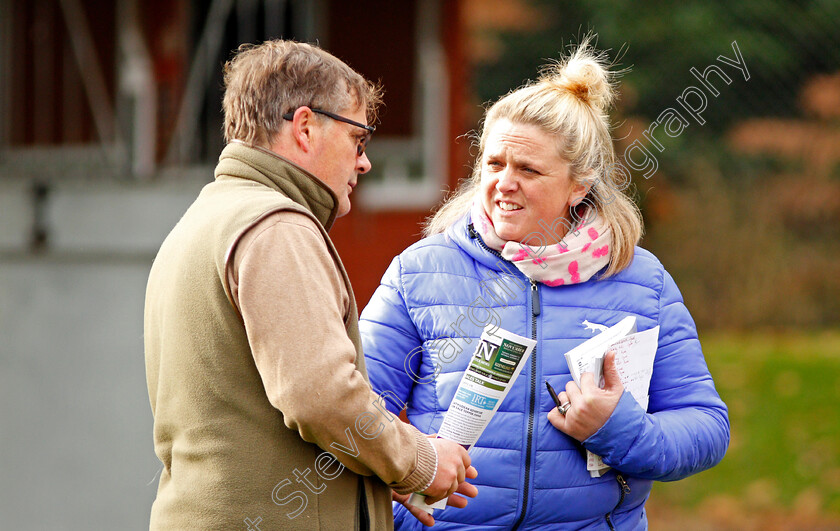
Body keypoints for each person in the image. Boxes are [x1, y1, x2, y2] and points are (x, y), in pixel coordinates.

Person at [359, 39, 729, 530]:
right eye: (494, 164)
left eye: (528, 169)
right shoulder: (420, 271)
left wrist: (618, 430)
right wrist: (412, 464)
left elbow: (705, 426)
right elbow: (358, 411)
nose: (503, 183)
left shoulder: (642, 281)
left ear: (581, 184)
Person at [144, 40, 476, 531]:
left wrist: (376, 475)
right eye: (358, 140)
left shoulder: (205, 219)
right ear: (304, 127)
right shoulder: (277, 226)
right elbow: (322, 397)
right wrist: (419, 461)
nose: (363, 162)